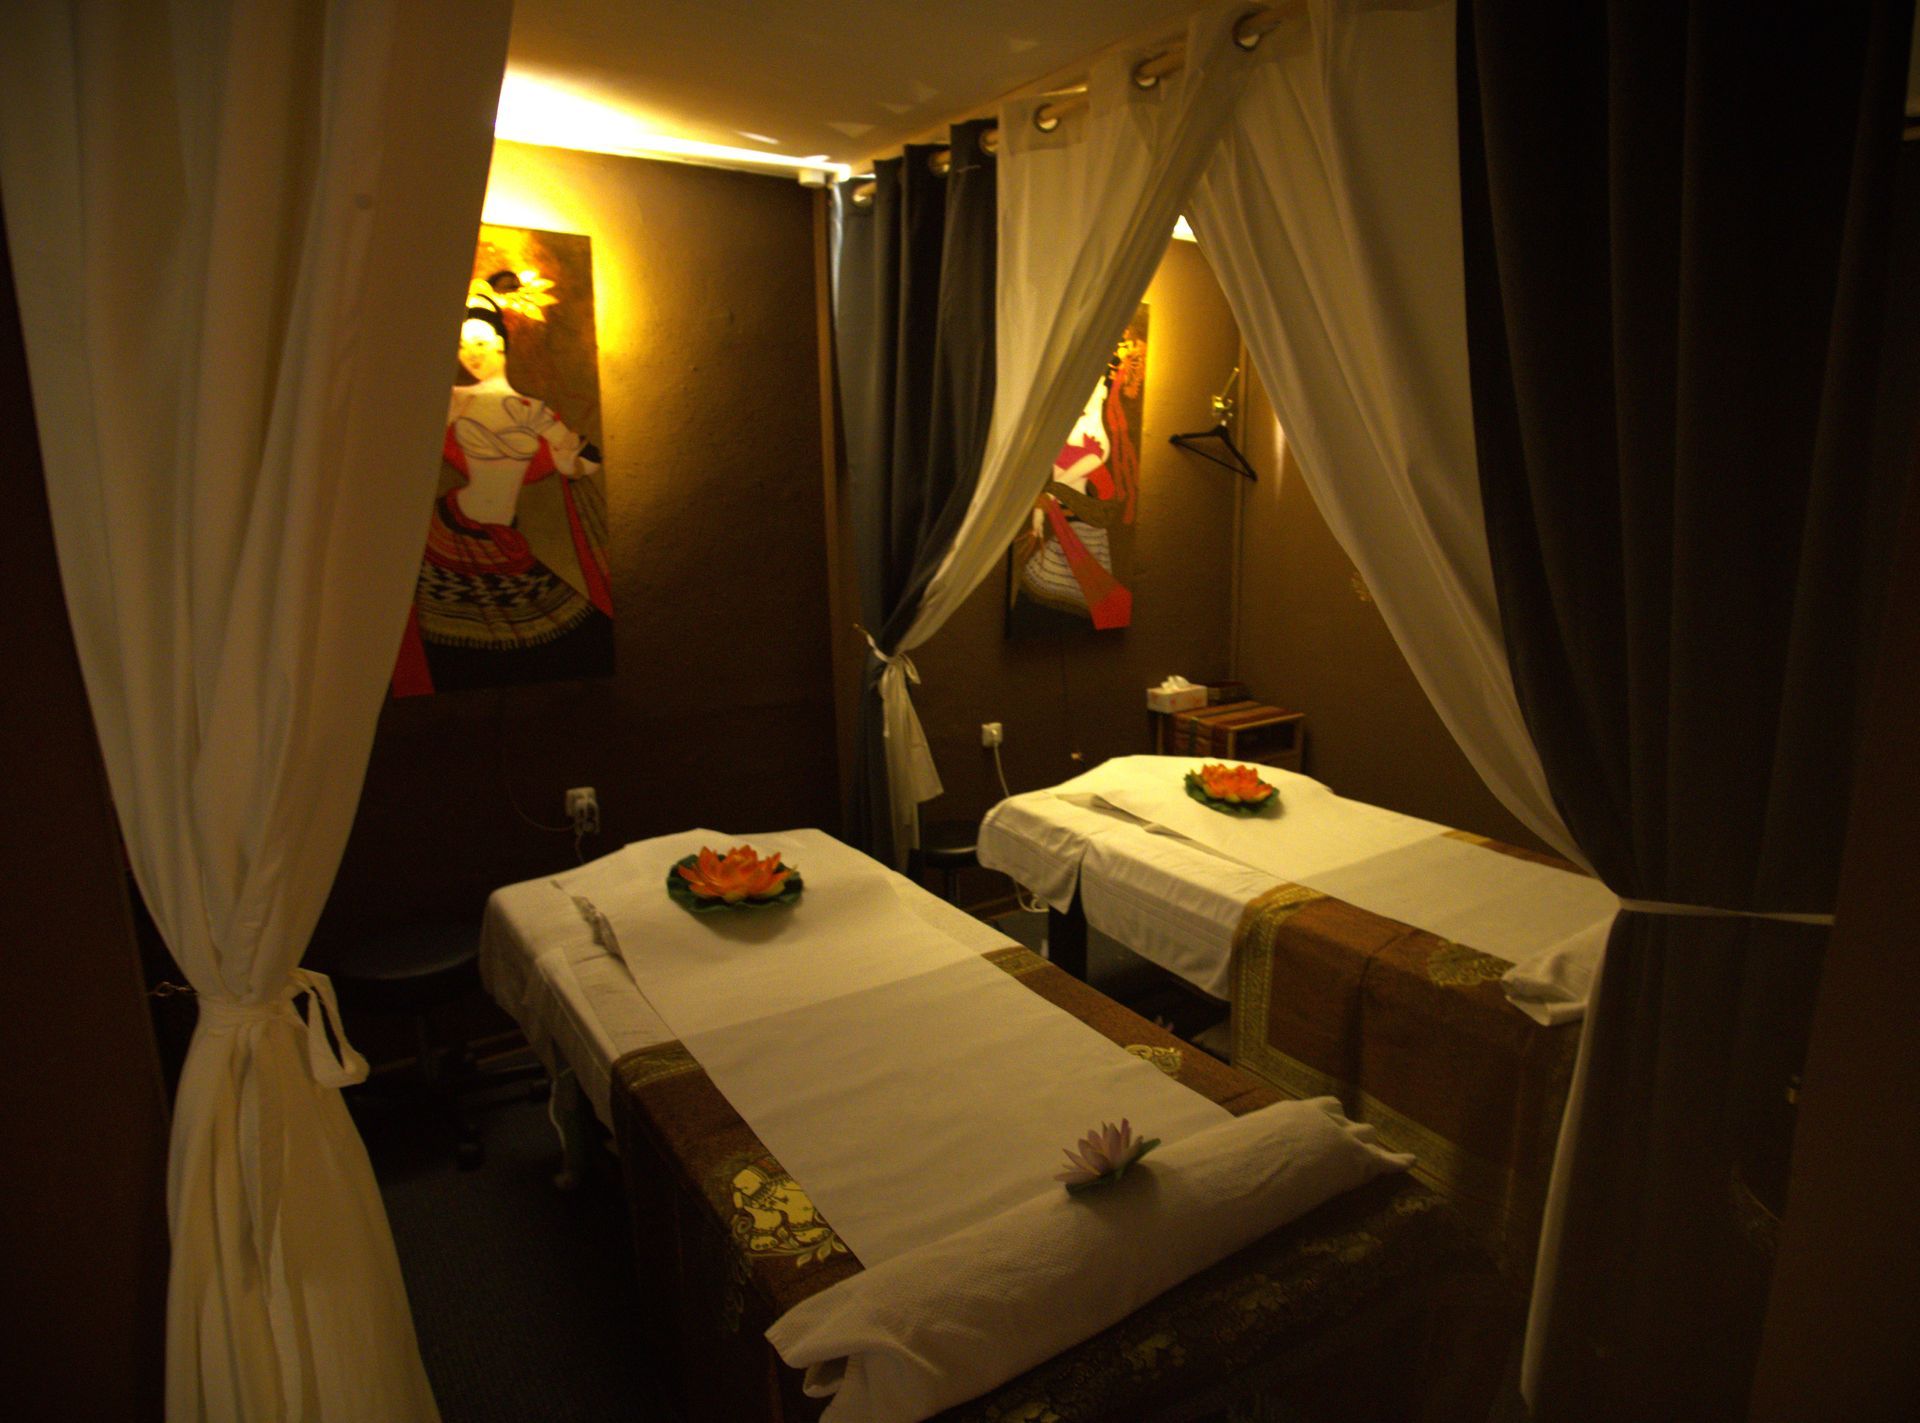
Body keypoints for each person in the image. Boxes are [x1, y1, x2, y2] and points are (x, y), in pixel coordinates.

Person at [393, 271, 613, 695]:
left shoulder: (533, 411)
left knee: (578, 639)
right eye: (462, 345)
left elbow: (584, 465)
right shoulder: (453, 400)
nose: (471, 353)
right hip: (449, 537)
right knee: (453, 651)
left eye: (479, 341)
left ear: (500, 342)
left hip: (506, 541)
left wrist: (573, 457)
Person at [1010, 344, 1141, 631]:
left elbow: (1060, 484)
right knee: (1043, 590)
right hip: (1063, 518)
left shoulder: (1097, 438)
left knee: (1078, 595)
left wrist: (1042, 503)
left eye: (1096, 386)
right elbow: (1053, 486)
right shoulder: (1064, 428)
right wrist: (1038, 517)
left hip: (1083, 522)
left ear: (1103, 390)